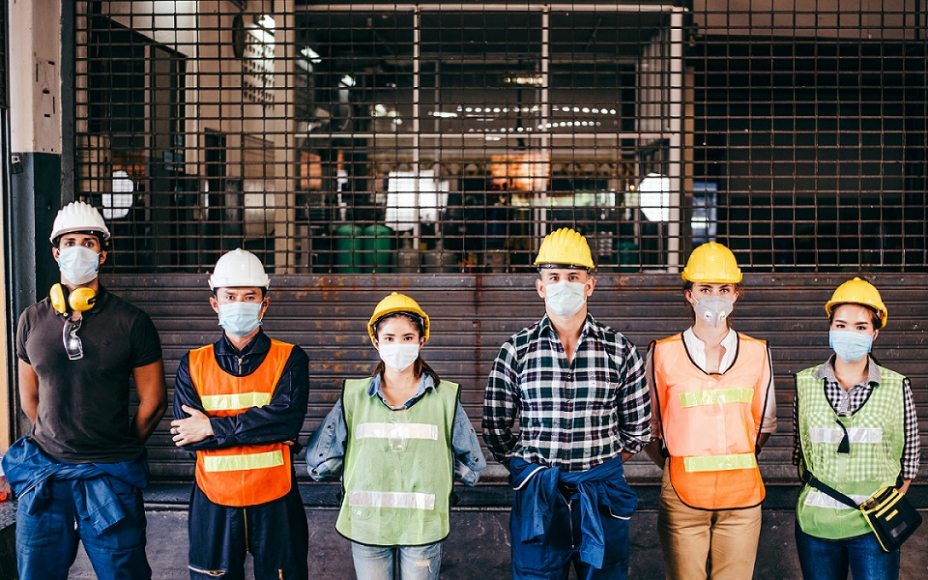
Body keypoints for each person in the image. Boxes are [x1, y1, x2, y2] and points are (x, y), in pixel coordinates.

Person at [2, 201, 167, 580]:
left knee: (123, 574)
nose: (78, 249)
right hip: (45, 476)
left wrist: (114, 446)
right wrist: (60, 437)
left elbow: (154, 401)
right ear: (56, 253)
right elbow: (29, 398)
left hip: (109, 478)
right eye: (70, 241)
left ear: (102, 253)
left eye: (88, 242)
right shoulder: (31, 319)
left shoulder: (132, 321)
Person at [482, 227, 649, 580]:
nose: (564, 285)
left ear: (590, 284)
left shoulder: (620, 350)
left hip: (601, 496)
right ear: (540, 286)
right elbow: (495, 429)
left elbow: (637, 431)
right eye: (554, 277)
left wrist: (598, 468)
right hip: (539, 497)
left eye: (574, 276)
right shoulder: (516, 350)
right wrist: (529, 468)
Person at [306, 292, 486, 580]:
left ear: (421, 340)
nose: (398, 345)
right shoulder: (353, 397)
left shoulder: (445, 397)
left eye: (407, 337)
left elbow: (319, 465)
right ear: (376, 342)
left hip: (421, 528)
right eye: (389, 338)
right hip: (370, 528)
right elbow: (471, 468)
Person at [171, 248, 310, 580]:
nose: (240, 303)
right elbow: (187, 439)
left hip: (276, 498)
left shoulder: (290, 358)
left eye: (249, 296)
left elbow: (287, 421)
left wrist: (212, 428)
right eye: (230, 296)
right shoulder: (192, 364)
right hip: (213, 502)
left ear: (265, 303)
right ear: (214, 303)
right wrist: (263, 430)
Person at [643, 241, 776, 580]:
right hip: (681, 494)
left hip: (743, 496)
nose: (714, 296)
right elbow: (651, 427)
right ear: (690, 294)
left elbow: (764, 425)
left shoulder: (758, 352)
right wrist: (675, 463)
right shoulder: (662, 353)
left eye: (724, 288)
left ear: (735, 294)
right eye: (705, 288)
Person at [792, 278, 919, 580]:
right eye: (841, 325)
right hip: (816, 525)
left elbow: (910, 459)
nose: (850, 333)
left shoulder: (897, 386)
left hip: (873, 528)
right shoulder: (805, 383)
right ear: (830, 328)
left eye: (861, 327)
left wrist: (884, 506)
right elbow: (800, 453)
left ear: (875, 333)